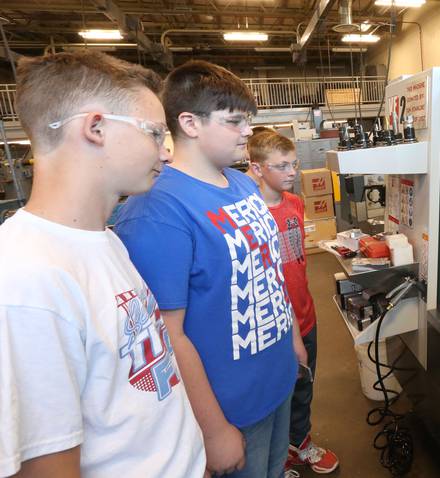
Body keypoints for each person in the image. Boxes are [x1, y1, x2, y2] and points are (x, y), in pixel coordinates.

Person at [0, 51, 205, 477]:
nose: (165, 154)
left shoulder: (102, 240)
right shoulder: (26, 281)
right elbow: (47, 466)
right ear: (94, 128)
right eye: (154, 133)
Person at [114, 60, 307, 478]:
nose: (247, 132)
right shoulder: (157, 210)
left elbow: (269, 271)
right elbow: (167, 335)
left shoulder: (240, 184)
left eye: (248, 121)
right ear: (190, 123)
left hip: (275, 380)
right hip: (229, 406)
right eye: (234, 121)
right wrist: (213, 428)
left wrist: (291, 335)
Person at [246, 131, 339, 474]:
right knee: (274, 394)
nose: (292, 172)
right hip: (271, 324)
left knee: (303, 386)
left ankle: (299, 444)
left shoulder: (295, 203)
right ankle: (274, 456)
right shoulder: (249, 214)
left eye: (294, 163)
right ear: (256, 169)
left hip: (305, 314)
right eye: (281, 166)